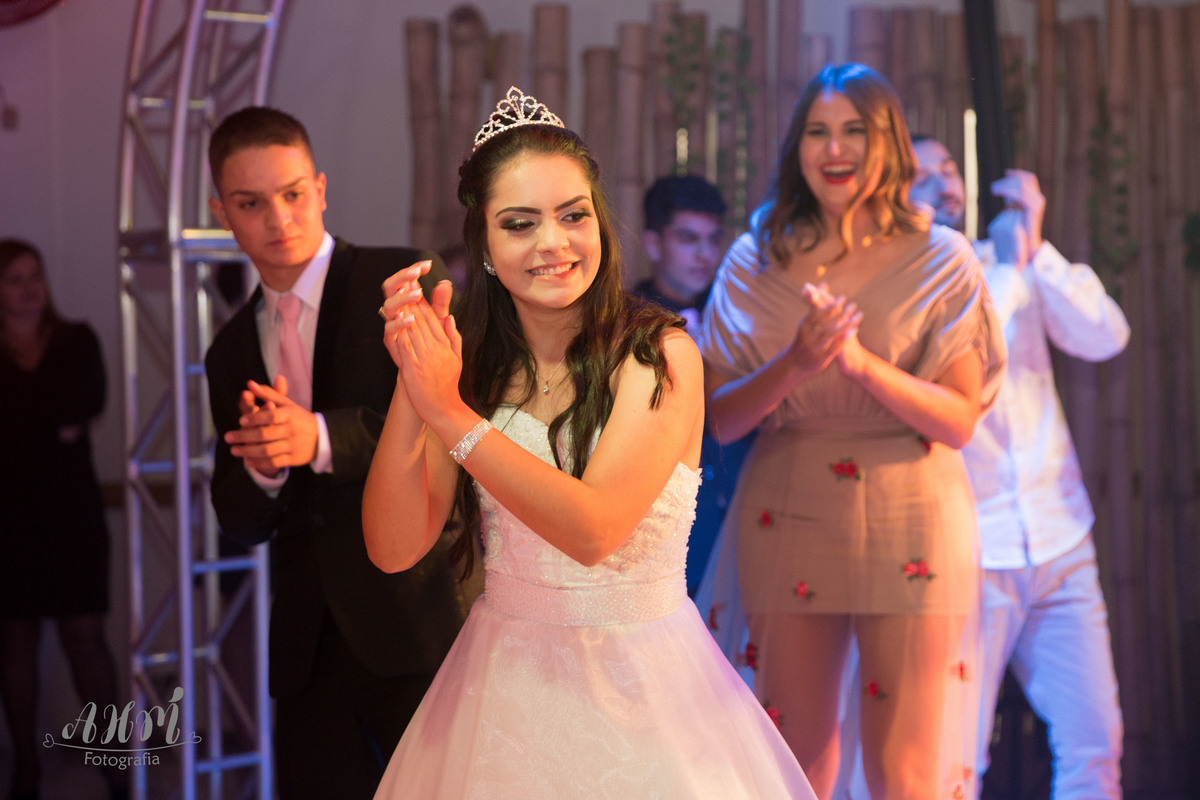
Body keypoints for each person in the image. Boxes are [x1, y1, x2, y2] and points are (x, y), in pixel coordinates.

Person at [362, 86, 816, 799]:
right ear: (485, 248)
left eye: (573, 215)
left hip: (645, 695)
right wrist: (414, 377)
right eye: (520, 224)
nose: (553, 243)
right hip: (501, 692)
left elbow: (595, 529)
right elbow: (393, 548)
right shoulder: (474, 371)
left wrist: (448, 413)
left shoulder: (658, 354)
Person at [698, 63, 1007, 799]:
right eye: (818, 131)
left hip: (912, 512)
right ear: (797, 147)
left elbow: (959, 420)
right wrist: (798, 363)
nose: (834, 149)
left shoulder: (942, 257)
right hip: (788, 505)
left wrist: (862, 366)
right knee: (792, 758)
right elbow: (720, 420)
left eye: (854, 131)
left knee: (907, 770)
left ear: (888, 143)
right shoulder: (754, 257)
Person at [203, 106, 465, 800]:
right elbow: (238, 519)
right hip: (307, 648)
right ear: (221, 212)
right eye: (250, 203)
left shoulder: (398, 282)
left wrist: (318, 438)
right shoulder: (229, 349)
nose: (278, 219)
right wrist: (263, 468)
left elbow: (453, 423)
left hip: (415, 619)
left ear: (320, 189)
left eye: (292, 194)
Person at [910, 135, 1128, 798]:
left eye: (949, 169)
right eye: (922, 175)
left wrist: (1034, 251)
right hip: (970, 552)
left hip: (1061, 538)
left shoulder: (1009, 260)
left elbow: (1106, 334)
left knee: (1096, 742)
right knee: (954, 759)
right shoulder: (907, 287)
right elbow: (970, 358)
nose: (945, 183)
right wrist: (1008, 271)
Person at [0, 239, 128, 800]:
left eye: (35, 275)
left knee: (86, 639)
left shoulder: (77, 341)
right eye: (14, 279)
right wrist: (48, 429)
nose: (29, 288)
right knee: (15, 640)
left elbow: (84, 405)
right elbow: (48, 422)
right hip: (8, 518)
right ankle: (26, 766)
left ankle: (116, 765)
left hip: (71, 514)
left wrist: (29, 427)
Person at [632, 174, 750, 592]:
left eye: (713, 240)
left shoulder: (739, 319)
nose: (704, 254)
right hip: (664, 530)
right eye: (688, 239)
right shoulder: (624, 326)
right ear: (653, 244)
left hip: (740, 516)